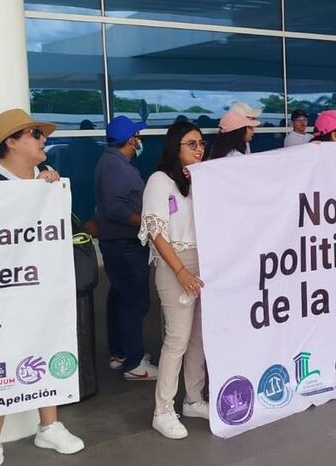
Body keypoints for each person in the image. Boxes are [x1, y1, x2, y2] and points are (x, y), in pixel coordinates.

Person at [0, 109, 85, 466]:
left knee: (45, 346)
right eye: (34, 134)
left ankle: (49, 426)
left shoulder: (42, 178)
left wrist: (50, 194)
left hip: (40, 286)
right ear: (11, 142)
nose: (42, 139)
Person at [142, 121, 208, 439]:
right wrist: (181, 271)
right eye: (191, 144)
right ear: (175, 147)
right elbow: (156, 232)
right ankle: (163, 409)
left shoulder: (201, 178)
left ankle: (194, 398)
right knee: (177, 339)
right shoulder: (159, 181)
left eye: (201, 143)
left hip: (204, 262)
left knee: (198, 337)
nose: (199, 149)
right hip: (174, 265)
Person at [94, 115, 159, 380]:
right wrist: (147, 223)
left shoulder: (117, 163)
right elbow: (116, 208)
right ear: (131, 139)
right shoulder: (115, 167)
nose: (140, 140)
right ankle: (134, 364)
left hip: (122, 243)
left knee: (120, 298)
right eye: (138, 136)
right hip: (125, 244)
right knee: (135, 301)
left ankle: (121, 353)